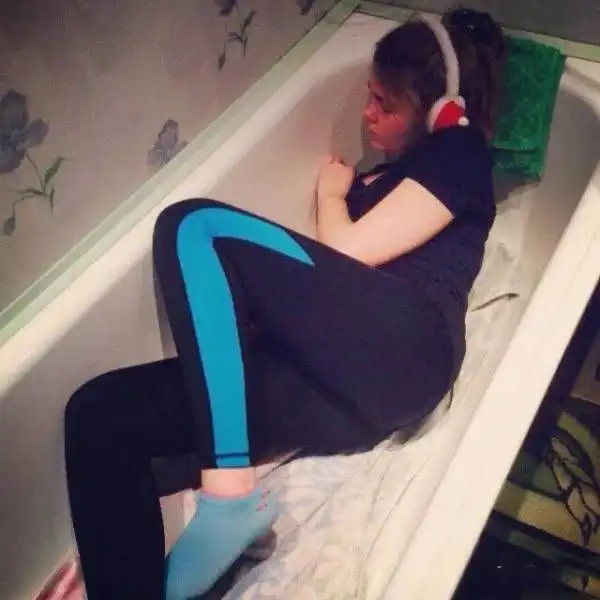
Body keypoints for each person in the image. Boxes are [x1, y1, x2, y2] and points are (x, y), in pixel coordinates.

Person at [64, 7, 506, 600]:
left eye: (385, 104)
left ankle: (229, 497)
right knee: (99, 416)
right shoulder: (382, 178)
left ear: (438, 115)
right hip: (343, 386)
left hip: (410, 349)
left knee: (191, 224)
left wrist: (332, 197)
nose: (368, 114)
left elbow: (348, 253)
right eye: (369, 96)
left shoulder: (460, 153)